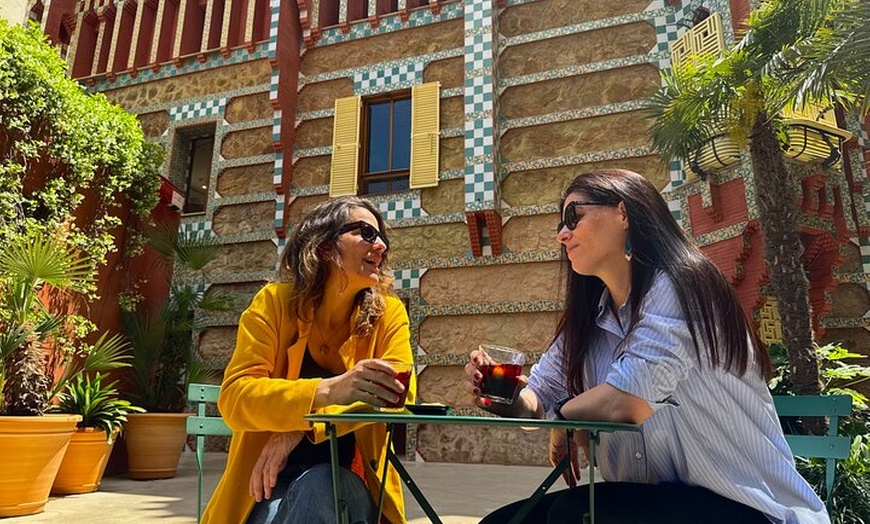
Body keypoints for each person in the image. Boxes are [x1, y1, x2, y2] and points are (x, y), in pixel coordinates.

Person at [465, 169, 829, 524]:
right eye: (560, 224)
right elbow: (538, 402)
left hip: (746, 505)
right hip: (647, 503)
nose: (562, 234)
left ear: (622, 213)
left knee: (571, 514)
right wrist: (506, 395)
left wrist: (561, 418)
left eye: (573, 217)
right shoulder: (587, 323)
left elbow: (628, 401)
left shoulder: (684, 283)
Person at [202, 196, 416, 524]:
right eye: (367, 234)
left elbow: (400, 395)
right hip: (266, 491)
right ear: (325, 247)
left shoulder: (388, 315)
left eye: (383, 238)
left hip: (349, 486)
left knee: (322, 484)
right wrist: (328, 391)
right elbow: (235, 398)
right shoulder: (274, 304)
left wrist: (303, 429)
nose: (381, 246)